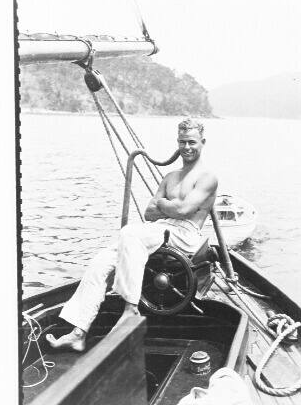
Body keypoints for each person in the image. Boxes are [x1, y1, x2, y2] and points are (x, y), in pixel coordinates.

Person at [46, 118, 218, 351]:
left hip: (185, 234)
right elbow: (149, 212)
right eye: (182, 142)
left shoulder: (207, 177)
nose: (186, 147)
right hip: (160, 229)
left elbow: (185, 210)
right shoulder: (170, 177)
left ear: (203, 142)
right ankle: (78, 332)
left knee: (130, 232)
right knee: (101, 262)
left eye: (192, 142)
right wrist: (172, 205)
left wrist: (165, 203)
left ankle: (130, 308)